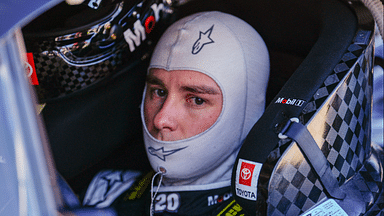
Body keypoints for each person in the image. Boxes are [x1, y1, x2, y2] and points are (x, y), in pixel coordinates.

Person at [82, 11, 269, 215]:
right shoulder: (105, 191)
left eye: (197, 100)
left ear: (245, 112)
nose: (161, 119)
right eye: (159, 92)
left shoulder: (279, 208)